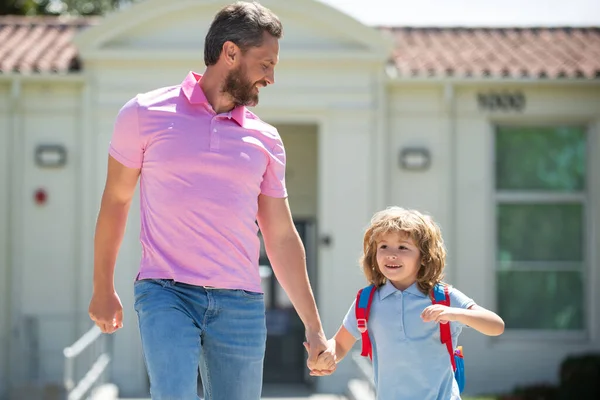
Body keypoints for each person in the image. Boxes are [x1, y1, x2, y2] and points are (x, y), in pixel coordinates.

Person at [87, 2, 333, 399]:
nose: (271, 77)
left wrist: (313, 326)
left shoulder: (266, 140)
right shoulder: (143, 114)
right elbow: (116, 201)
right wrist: (102, 286)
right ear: (230, 52)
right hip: (166, 292)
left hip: (241, 302)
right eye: (265, 64)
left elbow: (282, 236)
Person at [310, 207, 504, 399]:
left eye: (403, 247)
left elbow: (496, 326)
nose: (391, 254)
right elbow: (340, 344)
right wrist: (326, 357)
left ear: (424, 257)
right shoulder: (367, 301)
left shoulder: (443, 297)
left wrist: (455, 313)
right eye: (383, 246)